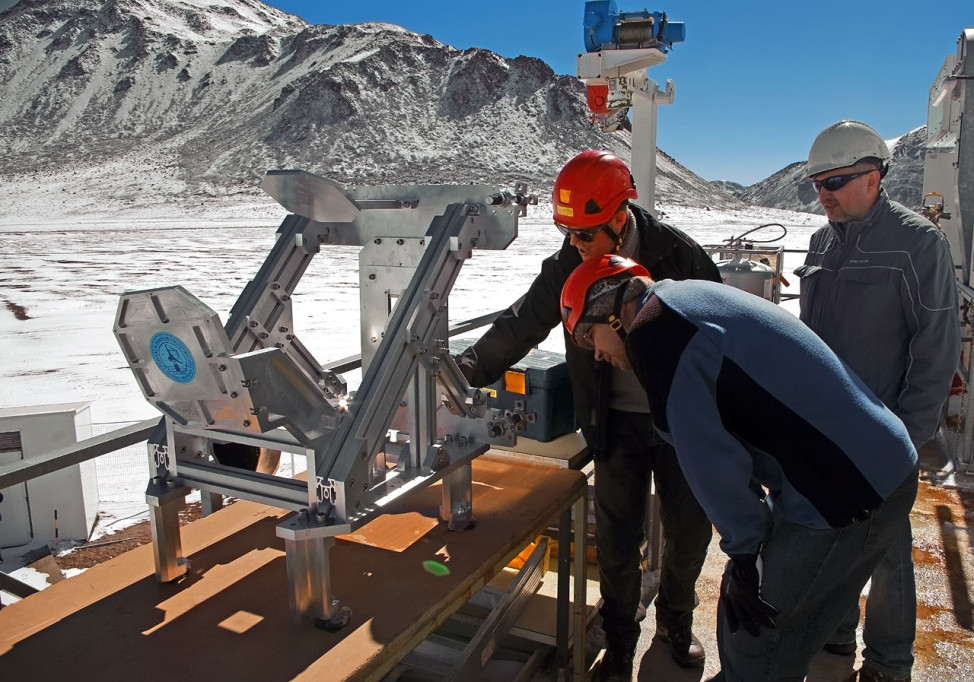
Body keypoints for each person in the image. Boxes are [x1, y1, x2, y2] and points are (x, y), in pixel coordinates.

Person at [560, 254, 921, 682]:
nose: (596, 354)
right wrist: (746, 546)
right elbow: (732, 432)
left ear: (614, 312)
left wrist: (746, 553)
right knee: (774, 619)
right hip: (876, 463)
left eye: (588, 336)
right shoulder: (680, 300)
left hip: (846, 488)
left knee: (756, 633)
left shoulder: (655, 335)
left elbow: (709, 458)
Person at [456, 149, 720, 679]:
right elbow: (523, 323)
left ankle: (674, 620)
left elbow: (720, 330)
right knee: (619, 538)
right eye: (566, 232)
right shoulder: (567, 263)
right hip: (613, 420)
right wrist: (465, 370)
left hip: (681, 422)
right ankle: (620, 640)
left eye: (585, 234)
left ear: (620, 219)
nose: (573, 245)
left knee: (689, 530)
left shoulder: (677, 255)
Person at [796, 120, 960, 682]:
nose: (824, 195)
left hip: (886, 434)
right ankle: (836, 639)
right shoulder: (821, 242)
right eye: (817, 183)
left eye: (836, 181)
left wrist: (905, 440)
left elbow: (936, 353)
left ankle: (889, 664)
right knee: (832, 540)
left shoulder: (918, 243)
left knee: (887, 555)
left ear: (874, 176)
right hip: (825, 430)